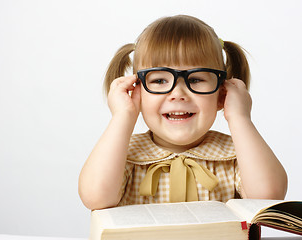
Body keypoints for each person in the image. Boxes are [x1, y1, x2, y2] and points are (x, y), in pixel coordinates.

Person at [78, 15, 288, 210]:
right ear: (137, 91)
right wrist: (122, 116)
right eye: (159, 80)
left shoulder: (236, 154)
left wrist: (240, 118)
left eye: (196, 79)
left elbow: (268, 197)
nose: (177, 94)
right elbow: (95, 197)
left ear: (221, 94)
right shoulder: (123, 154)